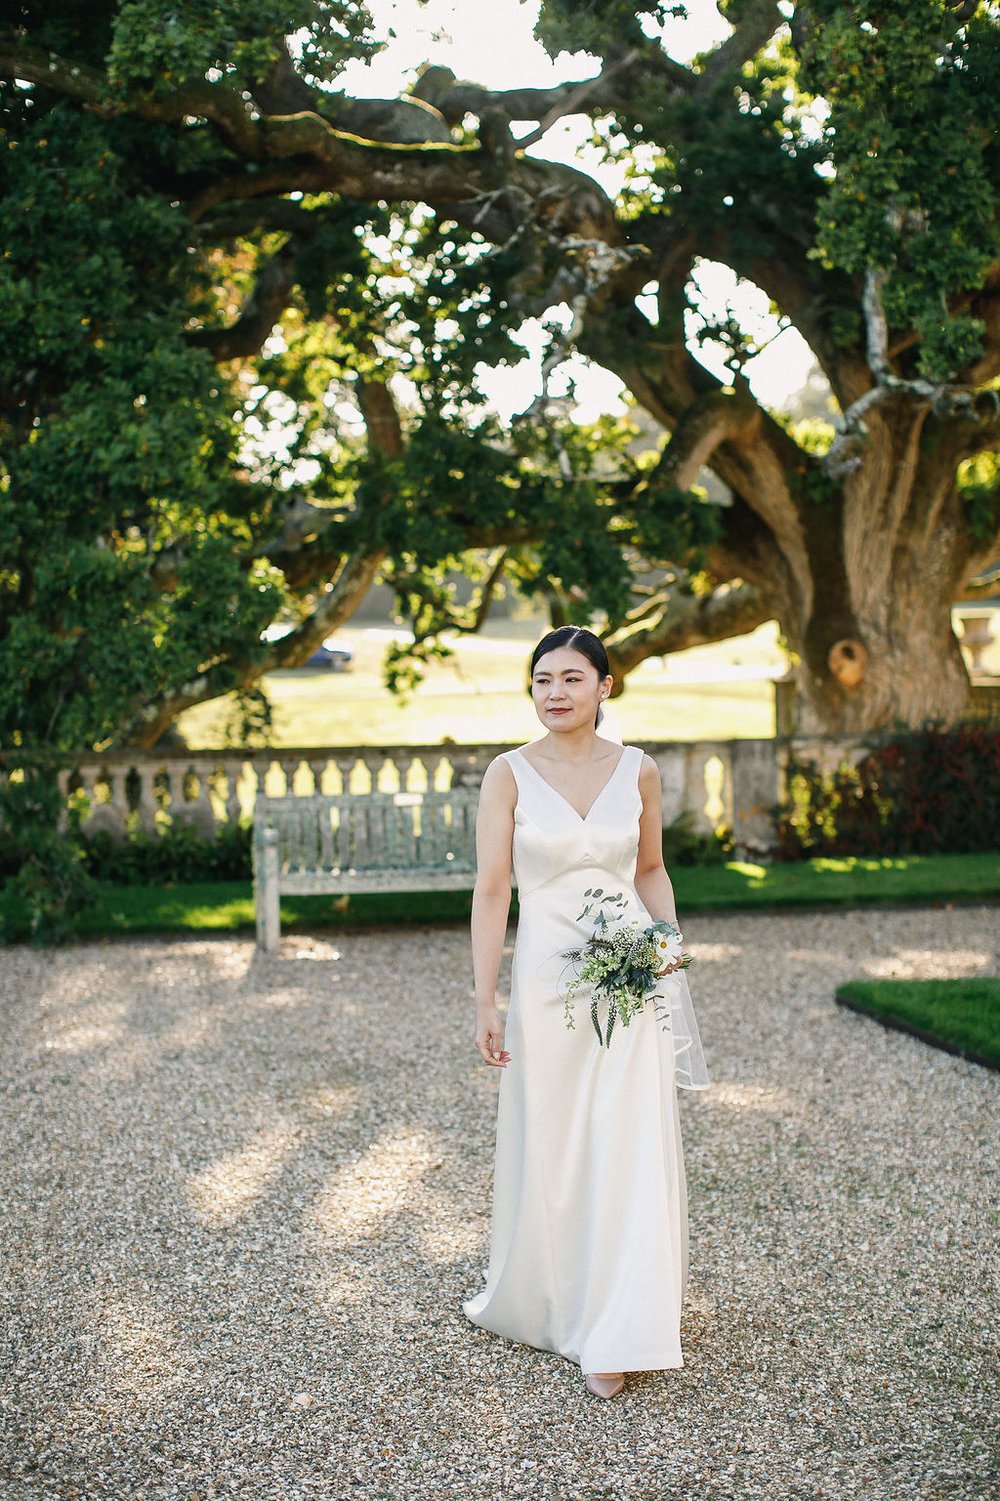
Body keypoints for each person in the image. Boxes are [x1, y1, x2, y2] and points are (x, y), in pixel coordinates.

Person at [464, 625, 710, 1399]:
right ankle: (556, 1298)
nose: (554, 692)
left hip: (629, 973)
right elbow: (493, 888)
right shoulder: (507, 775)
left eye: (572, 677)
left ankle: (620, 1322)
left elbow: (650, 869)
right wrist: (485, 996)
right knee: (559, 1141)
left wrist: (667, 945)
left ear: (606, 687)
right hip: (544, 982)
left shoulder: (638, 770)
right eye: (542, 679)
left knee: (625, 1136)